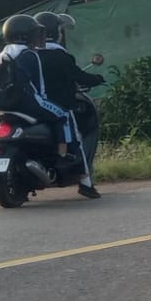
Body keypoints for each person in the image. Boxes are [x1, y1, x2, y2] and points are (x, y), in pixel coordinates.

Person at [0, 13, 98, 198]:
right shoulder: (33, 55)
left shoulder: (3, 55)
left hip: (6, 104)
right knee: (64, 116)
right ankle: (69, 161)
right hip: (33, 101)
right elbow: (38, 86)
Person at [35, 11, 106, 196]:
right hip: (58, 106)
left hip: (31, 107)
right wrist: (97, 79)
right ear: (55, 32)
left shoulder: (28, 55)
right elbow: (78, 76)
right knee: (76, 139)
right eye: (60, 30)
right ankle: (85, 183)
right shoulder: (60, 56)